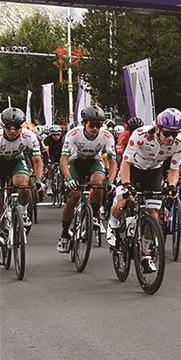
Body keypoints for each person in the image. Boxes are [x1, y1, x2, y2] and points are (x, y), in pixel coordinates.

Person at [108, 109, 181, 273]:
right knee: (122, 200)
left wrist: (172, 186)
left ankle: (146, 254)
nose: (170, 138)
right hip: (133, 169)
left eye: (174, 134)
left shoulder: (180, 142)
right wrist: (127, 185)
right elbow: (125, 162)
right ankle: (113, 224)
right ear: (157, 128)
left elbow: (174, 169)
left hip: (153, 172)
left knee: (153, 215)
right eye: (167, 133)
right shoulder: (140, 134)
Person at [56, 105, 117, 253]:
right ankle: (65, 234)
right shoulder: (73, 134)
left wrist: (111, 180)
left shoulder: (107, 136)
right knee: (73, 197)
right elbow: (63, 159)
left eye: (98, 125)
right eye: (92, 125)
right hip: (75, 162)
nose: (95, 128)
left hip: (94, 162)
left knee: (98, 183)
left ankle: (94, 215)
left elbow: (113, 162)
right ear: (84, 123)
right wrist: (68, 178)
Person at [0, 108, 43, 232]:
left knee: (23, 184)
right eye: (9, 127)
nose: (12, 131)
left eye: (17, 127)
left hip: (16, 161)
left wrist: (38, 180)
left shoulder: (29, 136)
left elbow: (37, 160)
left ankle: (23, 213)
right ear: (3, 126)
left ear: (21, 126)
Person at [43, 124, 64, 195]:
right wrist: (48, 159)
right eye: (54, 135)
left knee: (64, 168)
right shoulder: (47, 139)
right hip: (51, 155)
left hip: (61, 154)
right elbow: (46, 150)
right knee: (51, 168)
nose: (56, 136)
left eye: (58, 134)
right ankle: (49, 186)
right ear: (51, 134)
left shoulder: (63, 138)